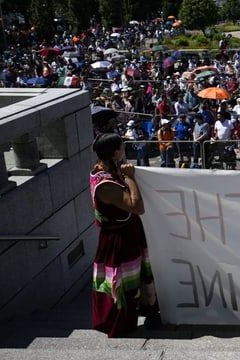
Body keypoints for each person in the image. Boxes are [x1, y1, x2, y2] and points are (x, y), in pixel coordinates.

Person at [89, 133, 160, 338]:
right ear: (115, 152)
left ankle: (147, 312)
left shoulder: (108, 171)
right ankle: (119, 322)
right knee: (123, 282)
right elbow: (136, 206)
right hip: (118, 240)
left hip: (128, 234)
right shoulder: (105, 184)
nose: (124, 151)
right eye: (122, 147)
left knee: (139, 277)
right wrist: (130, 178)